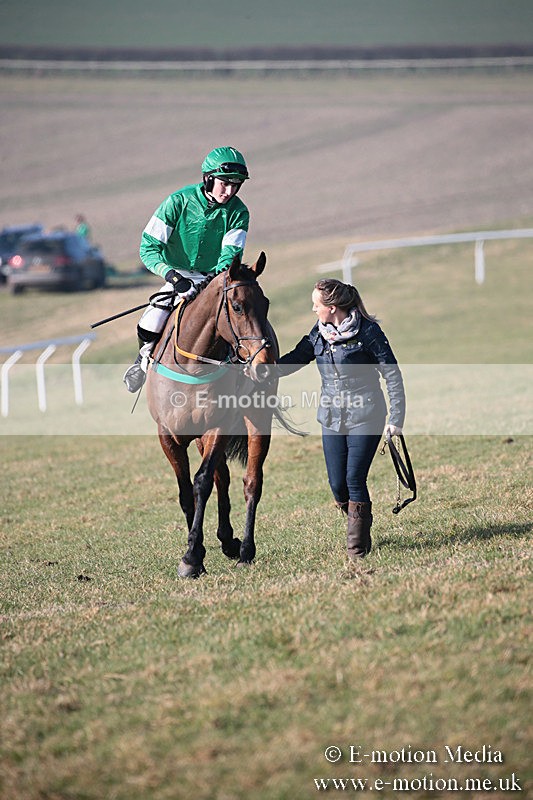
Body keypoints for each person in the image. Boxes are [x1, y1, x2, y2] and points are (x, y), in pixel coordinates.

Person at [278, 279, 405, 560]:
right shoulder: (318, 334)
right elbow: (294, 359)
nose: (313, 309)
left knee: (354, 478)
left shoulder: (369, 332)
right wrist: (261, 371)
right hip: (331, 418)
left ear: (332, 307)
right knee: (337, 485)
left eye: (316, 305)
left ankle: (356, 551)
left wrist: (396, 418)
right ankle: (360, 521)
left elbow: (392, 374)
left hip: (367, 415)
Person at [123, 146, 250, 392]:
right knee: (151, 321)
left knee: (246, 314)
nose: (230, 191)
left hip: (216, 278)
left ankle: (249, 370)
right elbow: (148, 248)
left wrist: (211, 283)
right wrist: (173, 277)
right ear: (208, 178)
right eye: (224, 184)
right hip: (178, 276)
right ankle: (143, 359)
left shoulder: (239, 212)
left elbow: (231, 255)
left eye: (236, 185)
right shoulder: (177, 202)